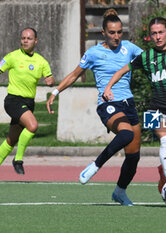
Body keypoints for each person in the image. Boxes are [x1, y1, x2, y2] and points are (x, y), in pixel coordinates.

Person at [46, 9, 143, 206]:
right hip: (108, 104)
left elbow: (150, 60)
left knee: (133, 157)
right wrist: (55, 92)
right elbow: (74, 75)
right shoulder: (93, 53)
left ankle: (120, 192)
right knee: (126, 135)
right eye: (112, 32)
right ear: (103, 33)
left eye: (119, 32)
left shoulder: (129, 48)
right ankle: (96, 165)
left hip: (129, 104)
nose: (117, 36)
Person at [103, 17, 166, 193]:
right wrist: (108, 87)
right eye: (154, 33)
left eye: (160, 32)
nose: (158, 36)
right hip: (155, 109)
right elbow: (122, 70)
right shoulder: (145, 57)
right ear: (150, 36)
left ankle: (164, 173)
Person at [0, 28, 55, 174]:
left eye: (29, 38)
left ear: (35, 41)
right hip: (13, 101)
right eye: (23, 38)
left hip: (29, 103)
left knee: (11, 140)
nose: (25, 40)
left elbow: (49, 77)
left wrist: (50, 81)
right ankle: (18, 159)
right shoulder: (12, 57)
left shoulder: (41, 61)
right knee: (33, 125)